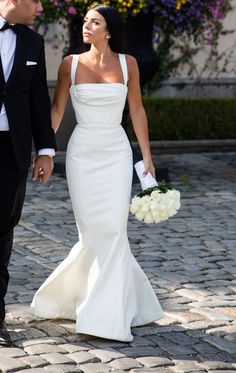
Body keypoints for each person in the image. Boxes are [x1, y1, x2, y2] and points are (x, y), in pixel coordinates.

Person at [31, 4, 163, 342]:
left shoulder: (128, 63)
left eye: (95, 22)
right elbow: (57, 109)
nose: (86, 26)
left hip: (116, 153)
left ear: (109, 29)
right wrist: (45, 152)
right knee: (92, 232)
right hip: (82, 154)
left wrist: (146, 157)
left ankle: (105, 315)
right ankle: (81, 296)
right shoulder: (69, 65)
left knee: (115, 230)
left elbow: (136, 109)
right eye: (86, 21)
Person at [0, 0, 56, 346]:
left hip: (12, 152)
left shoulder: (33, 43)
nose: (39, 6)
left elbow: (38, 100)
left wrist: (46, 151)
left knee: (3, 232)